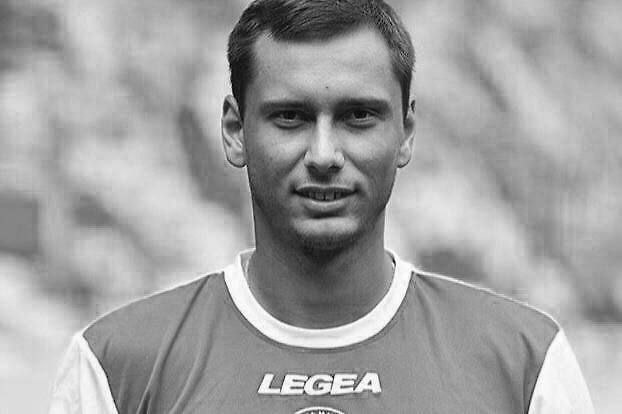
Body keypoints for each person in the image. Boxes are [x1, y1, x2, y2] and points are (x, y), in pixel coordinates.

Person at [49, 0, 594, 413]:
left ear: (406, 132)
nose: (324, 155)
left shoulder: (524, 363)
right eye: (290, 117)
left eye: (358, 116)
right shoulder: (116, 366)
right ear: (235, 131)